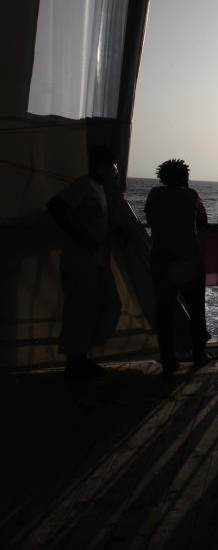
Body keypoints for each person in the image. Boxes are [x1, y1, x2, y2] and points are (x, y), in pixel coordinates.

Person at [46, 146, 122, 379]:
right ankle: (75, 361)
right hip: (80, 260)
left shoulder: (99, 189)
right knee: (80, 310)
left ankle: (81, 355)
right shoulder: (84, 185)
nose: (114, 169)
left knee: (107, 305)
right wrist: (80, 236)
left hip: (96, 260)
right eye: (111, 164)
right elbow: (56, 206)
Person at [144, 159, 210, 374]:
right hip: (189, 260)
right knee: (196, 310)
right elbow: (203, 220)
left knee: (164, 312)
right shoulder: (190, 195)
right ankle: (199, 355)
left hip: (161, 258)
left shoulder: (154, 194)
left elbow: (150, 218)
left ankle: (168, 358)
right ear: (184, 177)